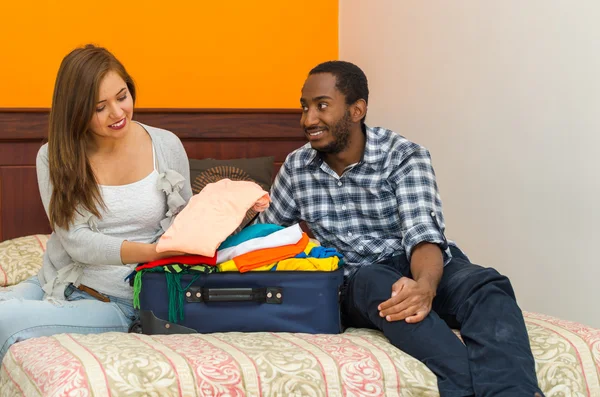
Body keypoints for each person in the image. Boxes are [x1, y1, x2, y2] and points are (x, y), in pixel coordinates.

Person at [257, 60, 544, 397]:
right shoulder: (297, 166)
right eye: (304, 108)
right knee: (375, 280)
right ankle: (464, 385)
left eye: (321, 106)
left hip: (421, 265)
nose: (308, 120)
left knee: (486, 286)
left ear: (357, 110)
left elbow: (422, 233)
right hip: (360, 282)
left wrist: (424, 287)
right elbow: (266, 237)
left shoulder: (403, 155)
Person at [0, 44, 191, 363]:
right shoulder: (53, 156)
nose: (117, 113)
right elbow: (76, 241)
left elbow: (187, 224)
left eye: (122, 96)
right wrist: (148, 251)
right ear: (76, 112)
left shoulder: (166, 146)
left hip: (121, 300)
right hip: (58, 280)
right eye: (100, 107)